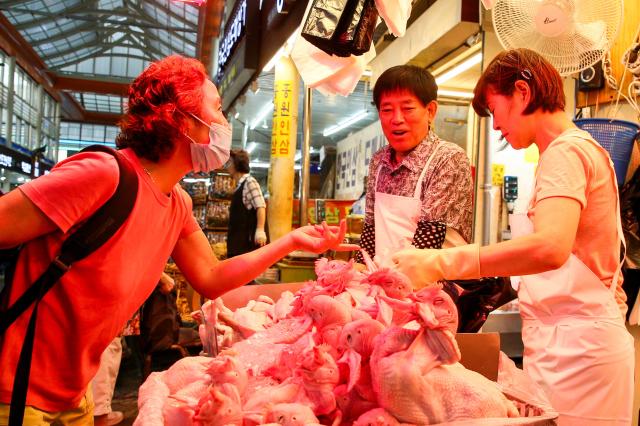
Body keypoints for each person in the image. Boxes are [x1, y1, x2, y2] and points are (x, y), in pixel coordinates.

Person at [0, 55, 351, 424]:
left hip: (75, 395)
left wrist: (291, 241)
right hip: (16, 392)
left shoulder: (177, 202)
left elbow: (210, 277)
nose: (223, 123)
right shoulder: (103, 175)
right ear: (182, 120)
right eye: (216, 109)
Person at [393, 48, 634, 424]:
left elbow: (551, 248)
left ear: (522, 92)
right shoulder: (561, 153)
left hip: (580, 354)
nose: (495, 126)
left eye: (494, 109)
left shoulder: (566, 153)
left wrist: (440, 260)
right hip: (563, 346)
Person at [355, 64, 474, 265]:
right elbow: (371, 227)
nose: (397, 119)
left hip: (435, 284)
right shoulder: (379, 161)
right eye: (387, 110)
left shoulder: (448, 158)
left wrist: (386, 283)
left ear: (430, 111)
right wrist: (358, 269)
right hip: (385, 280)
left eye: (408, 108)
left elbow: (430, 239)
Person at [226, 149, 268, 257]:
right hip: (237, 245)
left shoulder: (250, 182)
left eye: (229, 162)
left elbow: (260, 206)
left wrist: (260, 230)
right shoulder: (239, 185)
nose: (227, 165)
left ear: (237, 163)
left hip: (246, 247)